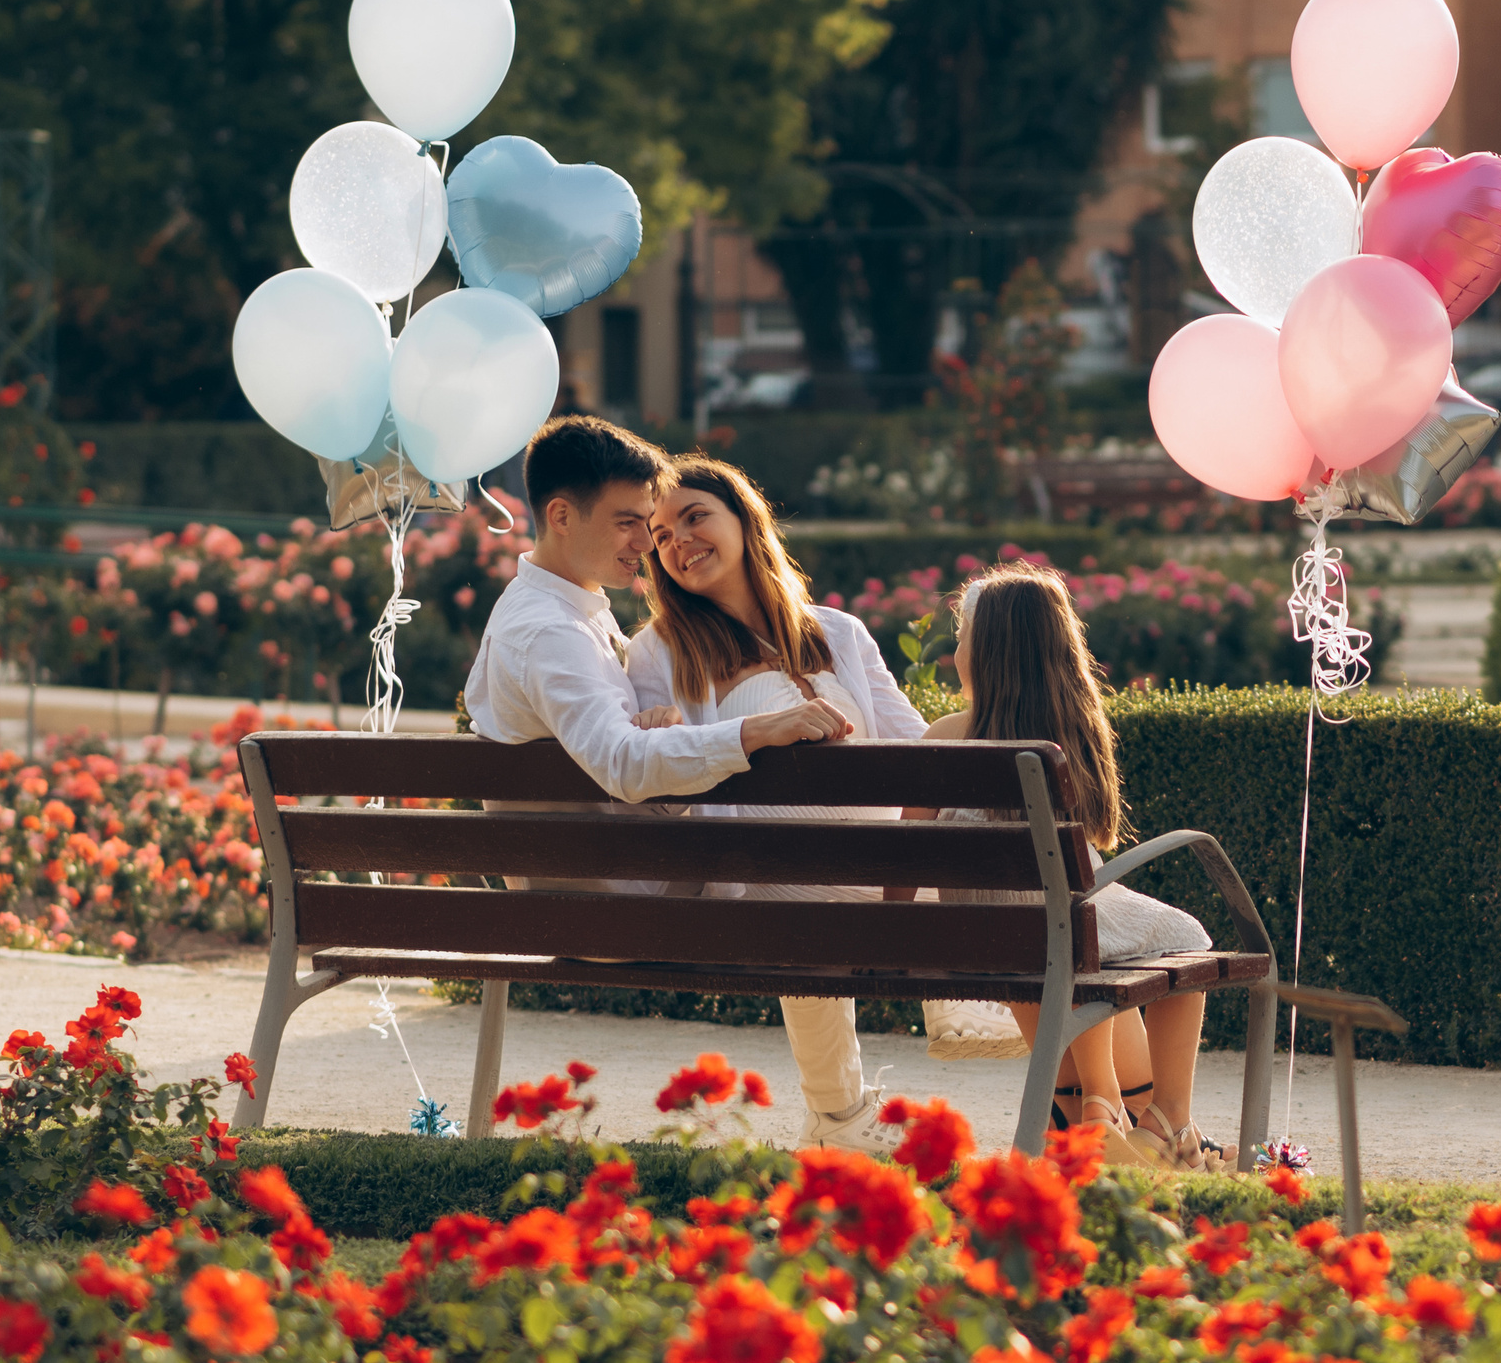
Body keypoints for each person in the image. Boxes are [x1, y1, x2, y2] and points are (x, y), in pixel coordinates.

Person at [625, 457, 1022, 1152]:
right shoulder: (656, 652)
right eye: (660, 534)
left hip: (857, 867)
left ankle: (839, 1117)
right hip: (757, 867)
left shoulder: (837, 633)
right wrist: (668, 731)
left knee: (941, 816)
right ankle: (947, 1010)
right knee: (816, 861)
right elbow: (661, 772)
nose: (678, 541)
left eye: (694, 517)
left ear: (746, 521)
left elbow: (914, 752)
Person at [902, 562, 1217, 1171]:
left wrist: (896, 924)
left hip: (985, 928)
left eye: (962, 637)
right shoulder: (1067, 741)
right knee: (1186, 936)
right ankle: (1166, 1118)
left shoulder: (945, 734)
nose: (956, 651)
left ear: (988, 653)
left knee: (1068, 929)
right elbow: (1090, 846)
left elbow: (907, 852)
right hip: (1058, 923)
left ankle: (1090, 1115)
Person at [462, 417, 853, 874]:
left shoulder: (570, 609)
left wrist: (659, 724)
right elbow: (623, 763)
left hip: (630, 894)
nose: (647, 544)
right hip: (621, 914)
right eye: (628, 523)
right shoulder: (548, 629)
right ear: (561, 517)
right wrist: (759, 730)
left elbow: (620, 749)